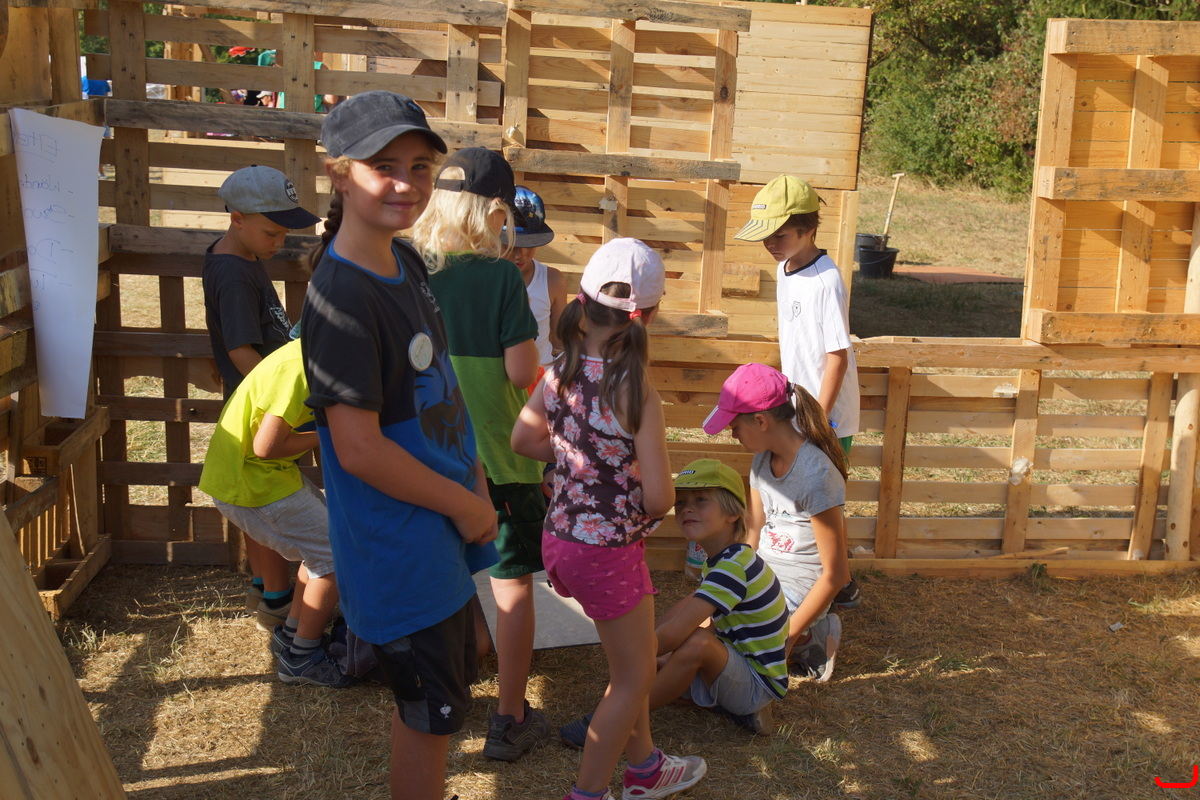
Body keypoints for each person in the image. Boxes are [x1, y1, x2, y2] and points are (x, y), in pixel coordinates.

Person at [299, 90, 498, 800]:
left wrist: (474, 482)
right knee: (430, 713)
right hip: (401, 546)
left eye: (419, 166)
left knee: (445, 689)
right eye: (383, 166)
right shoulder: (341, 297)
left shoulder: (405, 262)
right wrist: (466, 506)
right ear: (337, 172)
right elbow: (358, 450)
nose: (406, 183)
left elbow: (438, 385)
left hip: (440, 523)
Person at [512, 238, 707, 800]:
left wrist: (577, 459)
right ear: (648, 314)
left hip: (562, 540)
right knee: (634, 677)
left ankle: (645, 767)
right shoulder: (637, 390)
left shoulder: (559, 371)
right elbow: (660, 498)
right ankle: (590, 792)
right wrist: (615, 470)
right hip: (607, 552)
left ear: (582, 300)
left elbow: (523, 439)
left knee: (631, 660)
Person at [415, 147, 550, 762]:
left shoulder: (411, 273)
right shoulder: (500, 278)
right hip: (501, 460)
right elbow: (522, 371)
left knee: (442, 578)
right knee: (511, 587)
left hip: (429, 461)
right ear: (497, 211)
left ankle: (438, 700)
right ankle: (509, 715)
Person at [733, 174, 862, 612]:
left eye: (780, 235)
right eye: (765, 236)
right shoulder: (784, 268)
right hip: (797, 408)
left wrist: (818, 421)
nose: (770, 244)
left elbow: (836, 357)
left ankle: (839, 581)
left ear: (808, 229)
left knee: (825, 499)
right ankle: (807, 574)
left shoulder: (827, 280)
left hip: (828, 415)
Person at [204, 164, 321, 629]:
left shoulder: (241, 258)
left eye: (284, 232)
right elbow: (239, 350)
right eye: (272, 232)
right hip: (263, 403)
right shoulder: (234, 273)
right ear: (237, 218)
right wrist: (279, 395)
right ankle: (276, 598)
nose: (280, 242)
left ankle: (263, 588)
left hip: (264, 398)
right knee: (263, 502)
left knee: (259, 505)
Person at [198, 338, 350, 688]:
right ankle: (302, 658)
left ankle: (293, 636)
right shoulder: (298, 370)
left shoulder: (305, 352)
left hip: (261, 476)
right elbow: (266, 446)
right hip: (252, 482)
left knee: (321, 549)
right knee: (336, 556)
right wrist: (326, 435)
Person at [703, 363, 850, 682]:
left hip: (801, 584)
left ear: (760, 421)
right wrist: (726, 583)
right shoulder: (761, 462)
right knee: (708, 623)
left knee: (739, 641)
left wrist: (788, 637)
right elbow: (753, 534)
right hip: (765, 575)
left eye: (734, 426)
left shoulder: (817, 477)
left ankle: (810, 634)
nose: (732, 434)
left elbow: (836, 574)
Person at [502, 186, 567, 372]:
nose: (521, 255)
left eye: (530, 245)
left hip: (541, 379)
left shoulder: (552, 280)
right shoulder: (483, 280)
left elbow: (560, 343)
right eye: (513, 245)